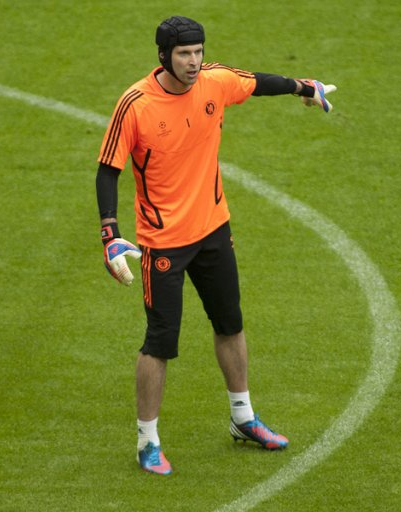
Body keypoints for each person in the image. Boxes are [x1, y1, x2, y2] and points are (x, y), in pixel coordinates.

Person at [95, 15, 336, 475]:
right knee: (159, 343)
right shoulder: (135, 104)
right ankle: (147, 441)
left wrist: (304, 87)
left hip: (213, 231)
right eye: (184, 53)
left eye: (198, 52)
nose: (194, 61)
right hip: (163, 244)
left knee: (230, 323)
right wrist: (110, 234)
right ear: (163, 55)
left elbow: (259, 83)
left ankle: (243, 418)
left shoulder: (214, 81)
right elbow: (108, 170)